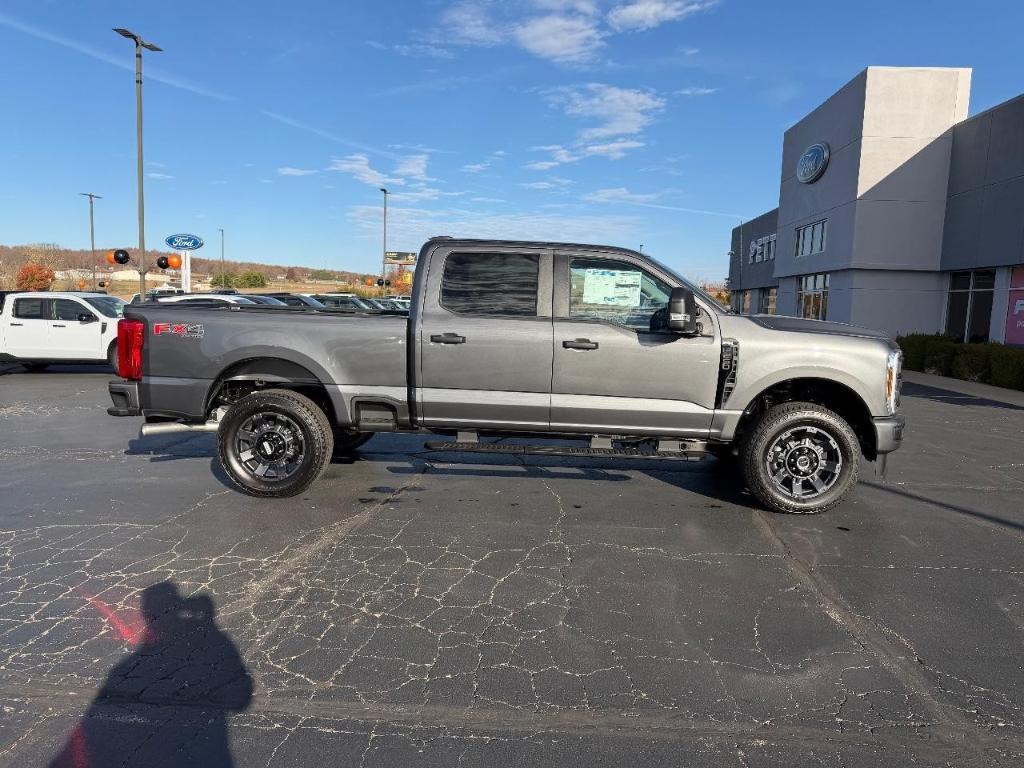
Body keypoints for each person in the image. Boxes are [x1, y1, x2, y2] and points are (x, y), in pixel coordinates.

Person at [49, 581, 253, 768]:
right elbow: (240, 697)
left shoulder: (125, 671)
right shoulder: (213, 644)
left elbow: (90, 737)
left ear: (146, 615)